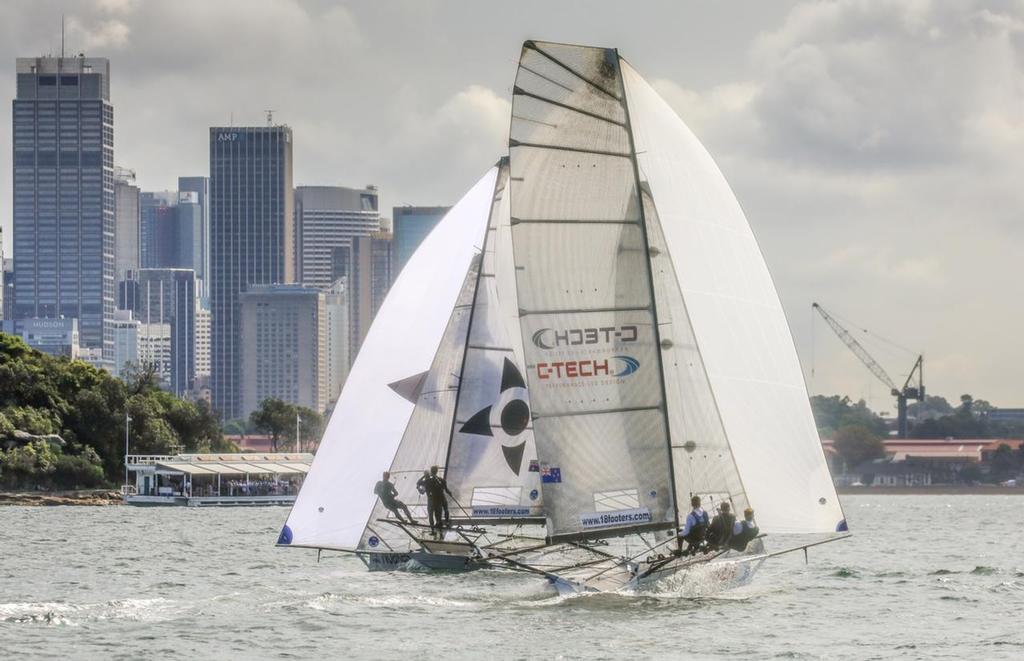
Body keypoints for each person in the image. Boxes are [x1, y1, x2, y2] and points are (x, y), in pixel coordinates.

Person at [418, 465, 452, 536]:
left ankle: (433, 531)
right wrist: (450, 493)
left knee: (431, 516)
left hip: (431, 501)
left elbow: (418, 482)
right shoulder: (442, 480)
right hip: (439, 500)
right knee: (439, 515)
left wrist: (424, 475)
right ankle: (446, 524)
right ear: (437, 471)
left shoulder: (427, 480)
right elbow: (446, 490)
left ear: (431, 471)